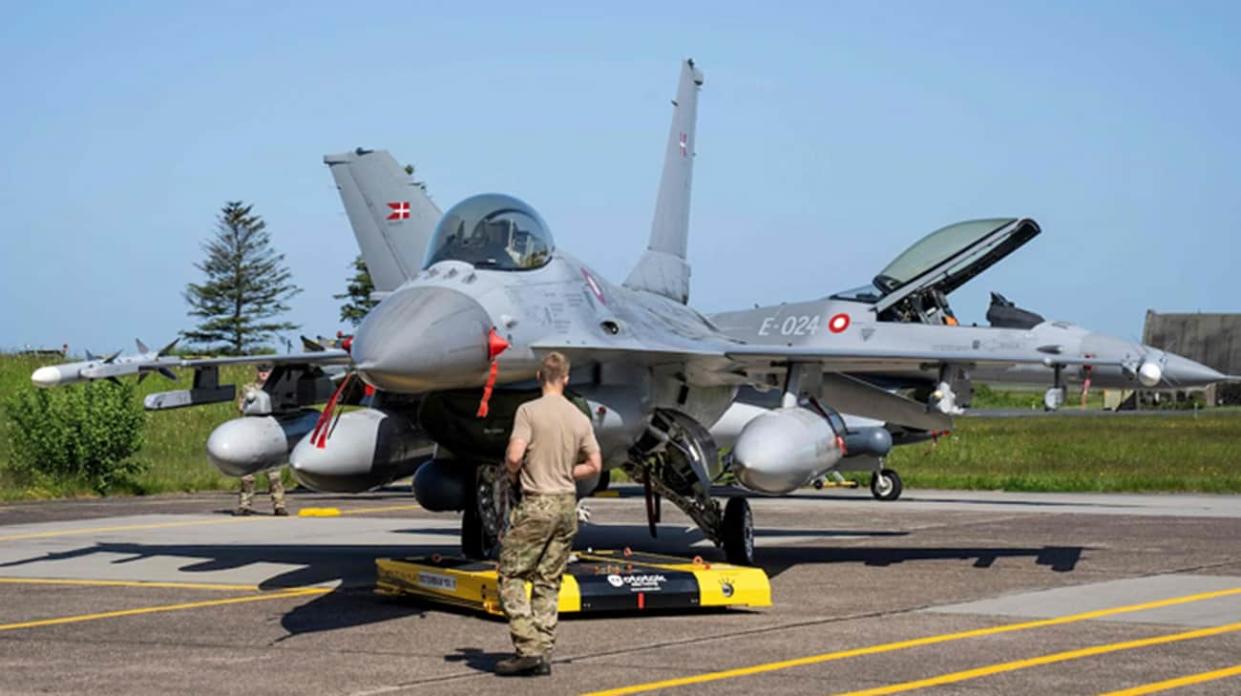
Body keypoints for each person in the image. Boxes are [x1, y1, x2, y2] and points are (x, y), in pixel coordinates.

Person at [494, 352, 602, 677]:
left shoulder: (528, 411)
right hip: (567, 505)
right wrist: (567, 471)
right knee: (548, 580)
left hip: (537, 503)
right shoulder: (579, 417)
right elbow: (595, 464)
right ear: (566, 379)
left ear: (540, 376)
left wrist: (514, 473)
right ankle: (543, 651)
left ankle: (528, 648)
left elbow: (514, 455)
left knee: (511, 575)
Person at [234, 364, 288, 517]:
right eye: (261, 371)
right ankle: (245, 505)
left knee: (274, 475)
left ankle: (279, 505)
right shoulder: (248, 388)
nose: (263, 374)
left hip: (269, 431)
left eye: (266, 371)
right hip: (252, 431)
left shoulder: (276, 389)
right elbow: (241, 407)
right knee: (247, 475)